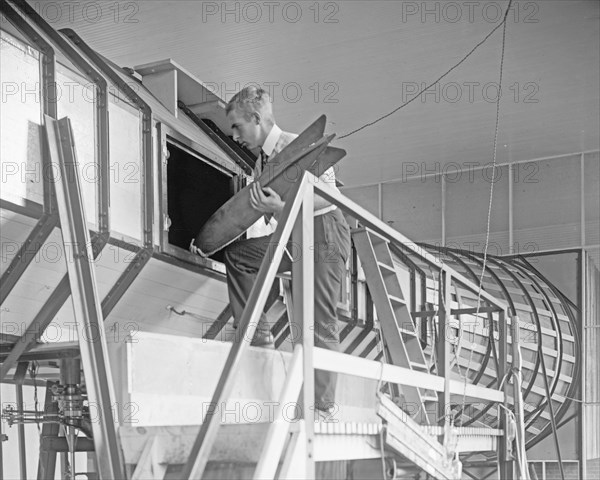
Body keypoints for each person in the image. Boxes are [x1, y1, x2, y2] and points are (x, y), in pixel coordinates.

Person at [221, 86, 351, 414]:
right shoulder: (259, 165)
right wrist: (212, 237)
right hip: (293, 236)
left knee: (318, 322)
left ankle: (323, 407)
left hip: (324, 233)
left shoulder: (299, 146)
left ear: (256, 118)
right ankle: (258, 335)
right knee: (239, 257)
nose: (234, 135)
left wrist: (281, 206)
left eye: (237, 126)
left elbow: (332, 197)